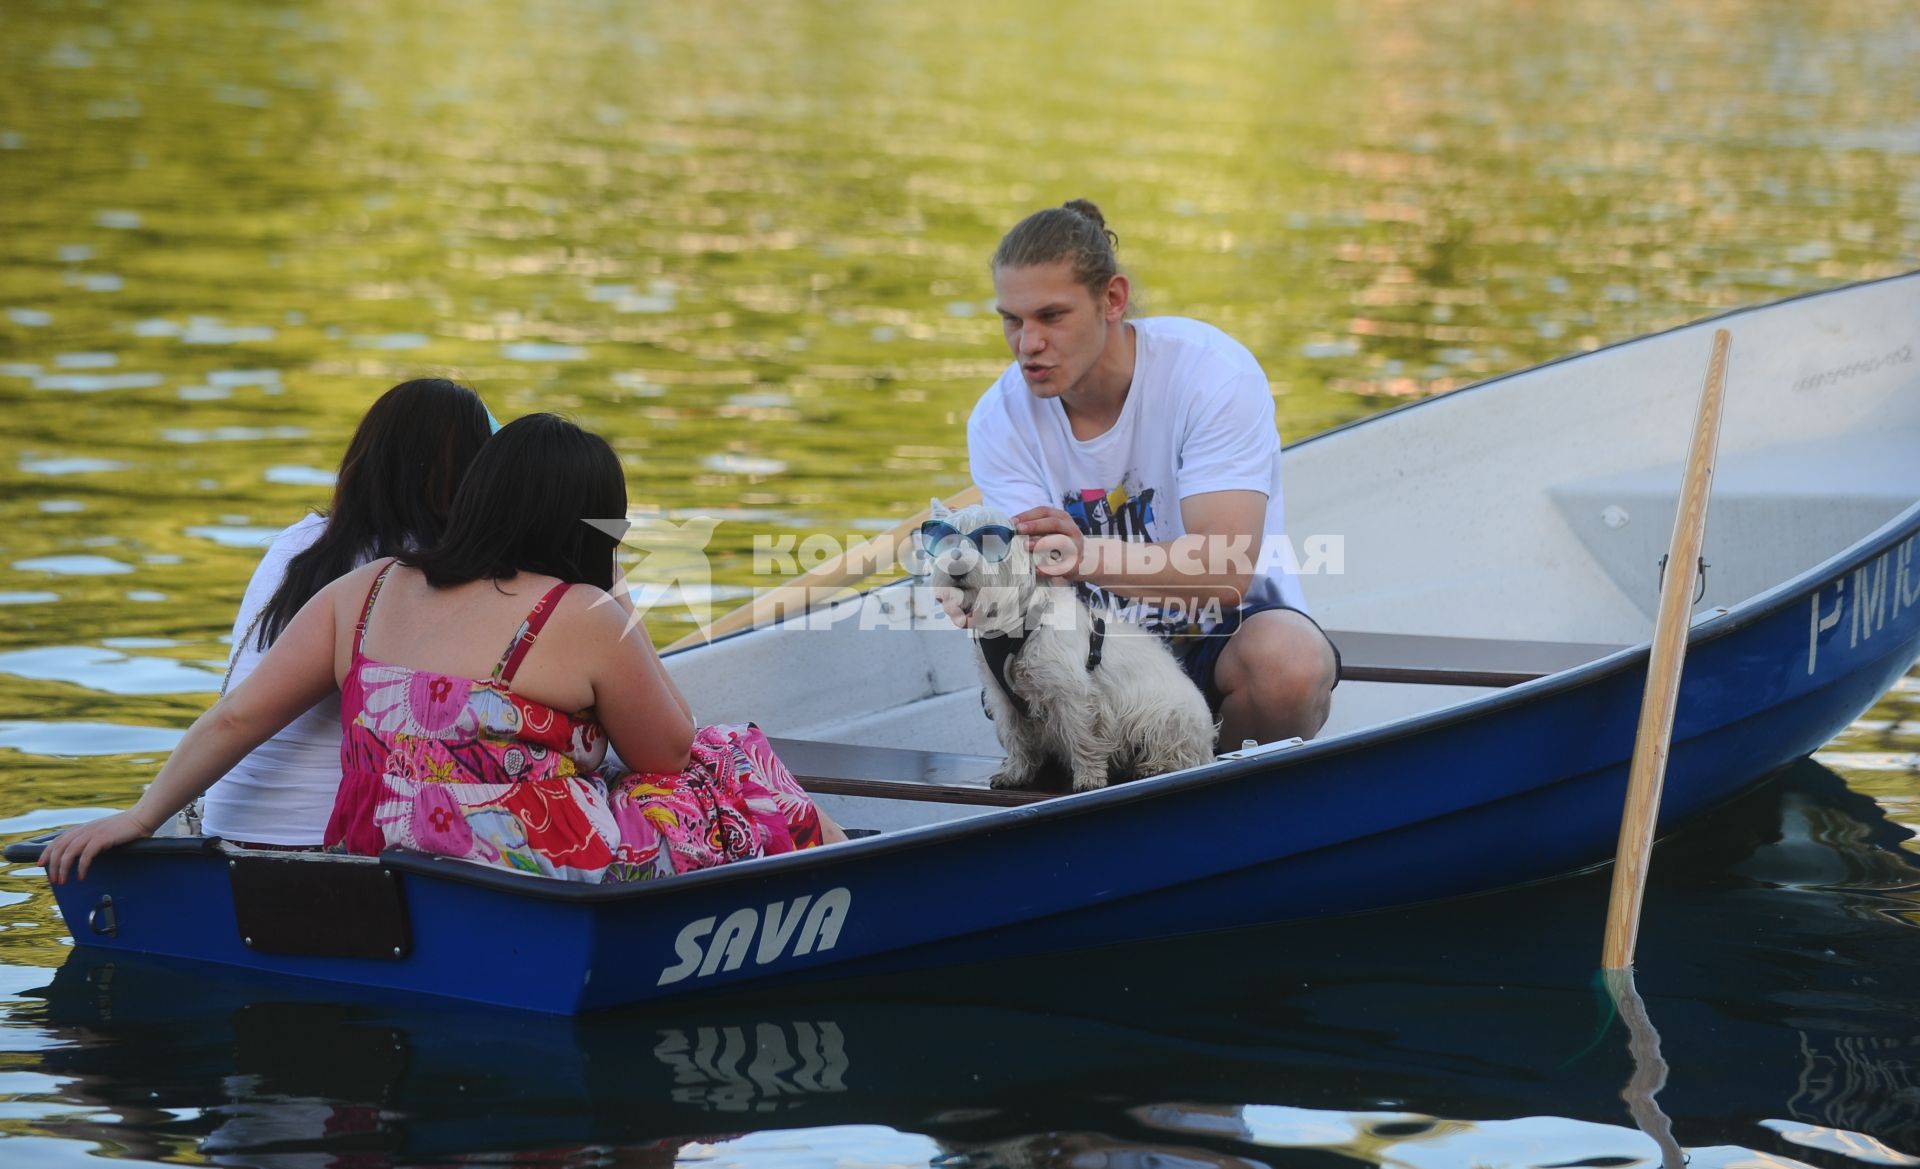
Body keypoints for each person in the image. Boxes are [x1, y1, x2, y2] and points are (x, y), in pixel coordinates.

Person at [46, 414, 843, 885]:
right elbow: (665, 750)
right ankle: (839, 876)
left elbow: (234, 720)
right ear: (595, 524)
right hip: (532, 877)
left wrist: (142, 814)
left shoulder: (364, 591)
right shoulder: (584, 612)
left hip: (381, 860)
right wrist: (614, 585)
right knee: (727, 757)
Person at [962, 199, 1338, 748]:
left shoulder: (1210, 375)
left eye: (1051, 316)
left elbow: (1224, 570)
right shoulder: (999, 420)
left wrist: (1082, 554)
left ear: (1112, 299)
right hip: (1097, 662)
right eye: (1011, 321)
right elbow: (1032, 592)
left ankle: (1226, 803)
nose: (1028, 344)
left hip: (1224, 641)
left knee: (1290, 663)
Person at [200, 377, 493, 848]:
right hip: (325, 836)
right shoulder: (421, 572)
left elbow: (238, 717)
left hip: (227, 822)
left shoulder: (299, 540)